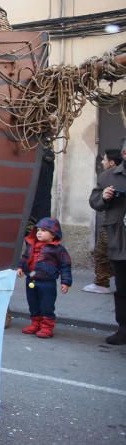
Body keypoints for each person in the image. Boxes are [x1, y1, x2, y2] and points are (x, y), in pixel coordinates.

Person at [88, 143, 126, 345]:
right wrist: (103, 197)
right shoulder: (108, 176)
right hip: (120, 241)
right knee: (122, 289)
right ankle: (123, 329)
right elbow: (94, 200)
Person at [17, 217, 72, 339]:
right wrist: (20, 267)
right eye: (38, 230)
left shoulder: (58, 249)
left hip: (47, 282)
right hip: (31, 279)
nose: (39, 233)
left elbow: (65, 265)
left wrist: (65, 282)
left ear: (53, 235)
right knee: (33, 304)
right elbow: (25, 257)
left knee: (46, 305)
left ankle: (46, 327)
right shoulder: (31, 245)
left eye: (43, 230)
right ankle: (35, 324)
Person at [83, 149, 120, 294]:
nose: (103, 162)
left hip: (113, 224)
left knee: (102, 252)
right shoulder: (105, 178)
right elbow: (95, 199)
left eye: (104, 160)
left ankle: (102, 282)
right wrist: (104, 197)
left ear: (111, 162)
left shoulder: (113, 177)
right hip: (110, 222)